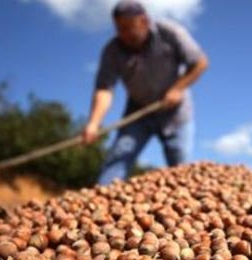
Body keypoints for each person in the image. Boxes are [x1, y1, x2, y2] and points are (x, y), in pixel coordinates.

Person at [82, 0, 209, 184]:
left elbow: (199, 63)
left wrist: (177, 88)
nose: (124, 34)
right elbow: (104, 89)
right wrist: (94, 123)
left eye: (129, 27)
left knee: (181, 170)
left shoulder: (170, 32)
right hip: (138, 111)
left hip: (175, 111)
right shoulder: (112, 51)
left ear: (144, 21)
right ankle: (101, 197)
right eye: (119, 28)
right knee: (117, 159)